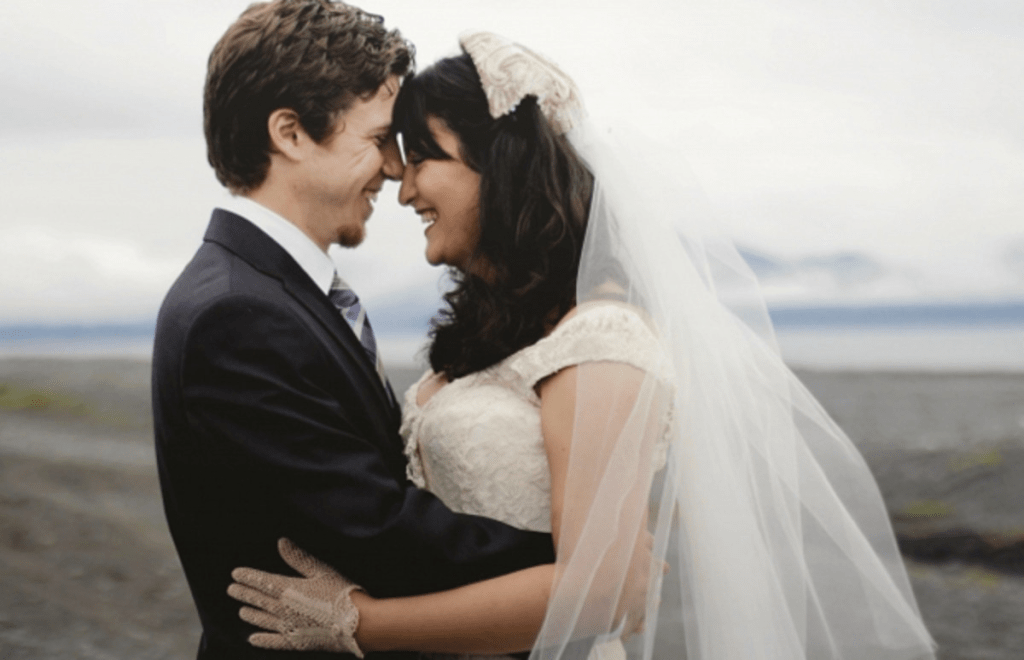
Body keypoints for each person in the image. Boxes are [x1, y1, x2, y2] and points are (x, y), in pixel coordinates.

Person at [228, 32, 938, 660]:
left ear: (501, 169)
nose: (404, 187)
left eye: (426, 159)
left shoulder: (601, 339)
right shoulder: (495, 337)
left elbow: (600, 594)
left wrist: (363, 623)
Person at [152, 5, 566, 659]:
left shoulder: (272, 292)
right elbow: (375, 530)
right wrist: (581, 561)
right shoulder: (236, 315)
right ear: (291, 133)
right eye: (379, 139)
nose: (396, 170)